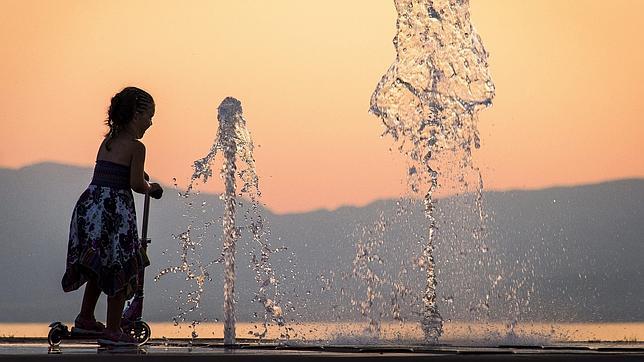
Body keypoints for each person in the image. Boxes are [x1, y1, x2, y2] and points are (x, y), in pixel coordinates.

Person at [61, 86, 163, 346]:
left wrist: (139, 176)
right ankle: (114, 329)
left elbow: (115, 170)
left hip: (90, 208)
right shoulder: (137, 147)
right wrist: (151, 187)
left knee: (98, 265)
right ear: (136, 114)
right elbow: (136, 184)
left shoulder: (108, 142)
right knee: (119, 265)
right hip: (115, 212)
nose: (151, 122)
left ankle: (86, 319)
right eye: (149, 115)